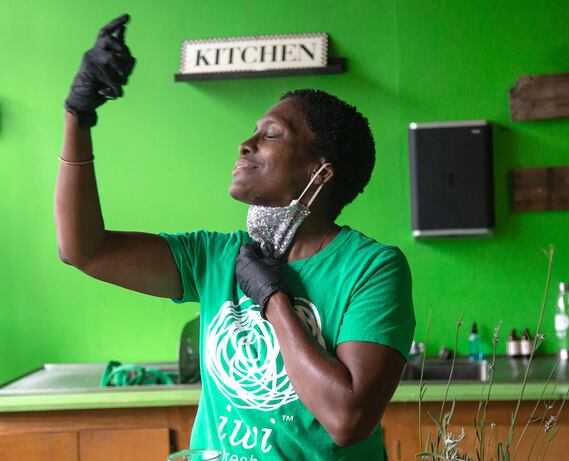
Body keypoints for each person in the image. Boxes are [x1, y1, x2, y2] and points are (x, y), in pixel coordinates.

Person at [55, 14, 415, 461]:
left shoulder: (372, 268)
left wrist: (273, 299)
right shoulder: (216, 256)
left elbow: (347, 420)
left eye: (271, 135)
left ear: (319, 171)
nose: (245, 144)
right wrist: (78, 117)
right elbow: (82, 249)